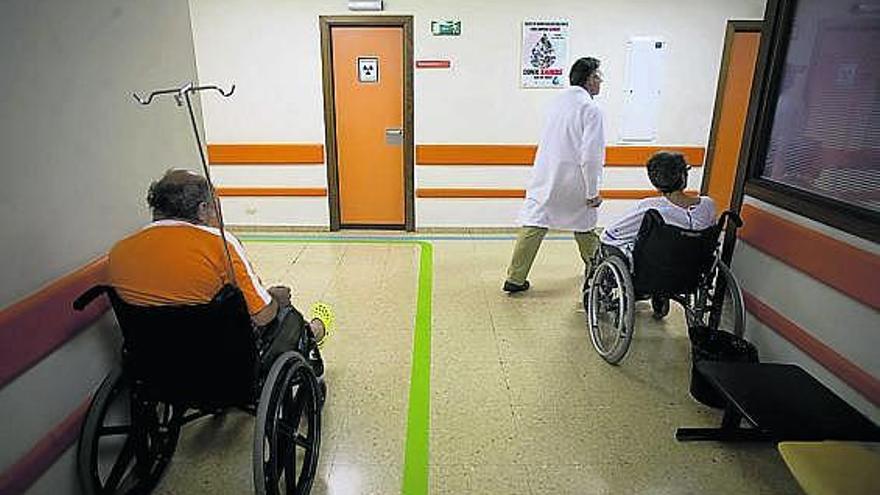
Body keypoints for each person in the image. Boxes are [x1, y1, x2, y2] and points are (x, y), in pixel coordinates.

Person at [108, 169, 326, 375]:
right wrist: (274, 299)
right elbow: (262, 317)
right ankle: (311, 333)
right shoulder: (220, 244)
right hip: (222, 363)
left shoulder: (119, 251)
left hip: (154, 365)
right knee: (283, 311)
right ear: (203, 209)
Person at [503, 57, 605, 293]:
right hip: (574, 182)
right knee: (585, 228)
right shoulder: (591, 109)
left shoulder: (556, 103)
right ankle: (599, 273)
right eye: (599, 77)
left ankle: (515, 278)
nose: (601, 83)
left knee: (534, 223)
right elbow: (591, 155)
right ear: (590, 80)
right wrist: (593, 192)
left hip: (546, 175)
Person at [599, 151, 716, 317]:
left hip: (651, 274)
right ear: (684, 177)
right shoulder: (708, 205)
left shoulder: (652, 209)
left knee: (608, 245)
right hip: (693, 275)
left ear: (655, 182)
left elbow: (611, 235)